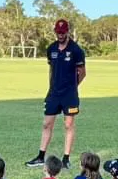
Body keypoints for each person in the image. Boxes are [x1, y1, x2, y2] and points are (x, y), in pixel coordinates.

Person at [27, 19, 85, 168]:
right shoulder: (51, 49)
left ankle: (66, 159)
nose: (60, 35)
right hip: (53, 94)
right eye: (58, 32)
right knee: (47, 124)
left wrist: (72, 87)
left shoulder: (76, 50)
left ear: (68, 31)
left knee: (68, 125)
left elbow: (82, 73)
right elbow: (51, 69)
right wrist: (52, 86)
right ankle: (40, 156)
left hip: (69, 95)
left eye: (63, 32)